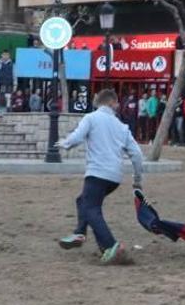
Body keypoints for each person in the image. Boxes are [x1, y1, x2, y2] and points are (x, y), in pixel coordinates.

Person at [54, 89, 144, 265]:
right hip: (114, 177)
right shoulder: (122, 127)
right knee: (83, 201)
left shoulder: (91, 118)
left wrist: (65, 144)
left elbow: (77, 137)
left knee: (91, 209)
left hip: (97, 172)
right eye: (117, 103)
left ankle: (112, 246)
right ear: (111, 103)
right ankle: (82, 233)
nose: (118, 106)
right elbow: (137, 155)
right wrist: (137, 180)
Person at [0, 51, 16, 116]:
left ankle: (8, 111)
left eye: (7, 55)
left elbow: (14, 75)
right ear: (1, 55)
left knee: (8, 98)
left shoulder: (12, 64)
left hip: (9, 83)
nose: (5, 56)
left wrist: (15, 84)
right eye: (4, 55)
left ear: (9, 56)